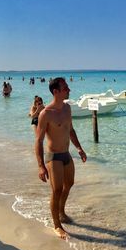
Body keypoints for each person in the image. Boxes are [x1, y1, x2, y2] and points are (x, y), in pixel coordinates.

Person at [34, 77, 88, 240]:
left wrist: (79, 148)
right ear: (56, 91)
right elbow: (38, 140)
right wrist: (41, 166)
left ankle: (61, 211)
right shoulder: (46, 114)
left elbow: (71, 130)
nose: (69, 90)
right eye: (65, 88)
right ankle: (57, 225)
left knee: (69, 184)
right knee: (56, 189)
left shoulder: (67, 109)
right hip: (53, 157)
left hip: (66, 154)